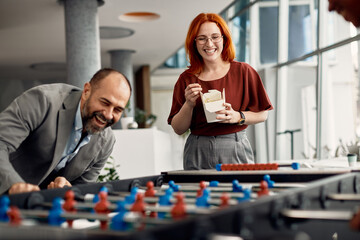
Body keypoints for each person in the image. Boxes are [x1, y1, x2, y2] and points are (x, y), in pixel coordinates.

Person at [0, 68, 131, 195]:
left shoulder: (106, 142)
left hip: (37, 210)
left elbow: (82, 191)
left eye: (117, 110)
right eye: (105, 103)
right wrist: (14, 185)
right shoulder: (43, 100)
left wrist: (67, 189)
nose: (109, 115)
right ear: (86, 91)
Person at [168, 13, 273, 170]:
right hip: (197, 147)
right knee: (198, 193)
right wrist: (189, 104)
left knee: (237, 193)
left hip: (234, 146)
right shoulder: (186, 79)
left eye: (215, 37)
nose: (209, 44)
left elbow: (263, 114)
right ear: (194, 42)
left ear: (224, 39)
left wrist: (237, 116)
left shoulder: (244, 71)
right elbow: (178, 128)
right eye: (202, 38)